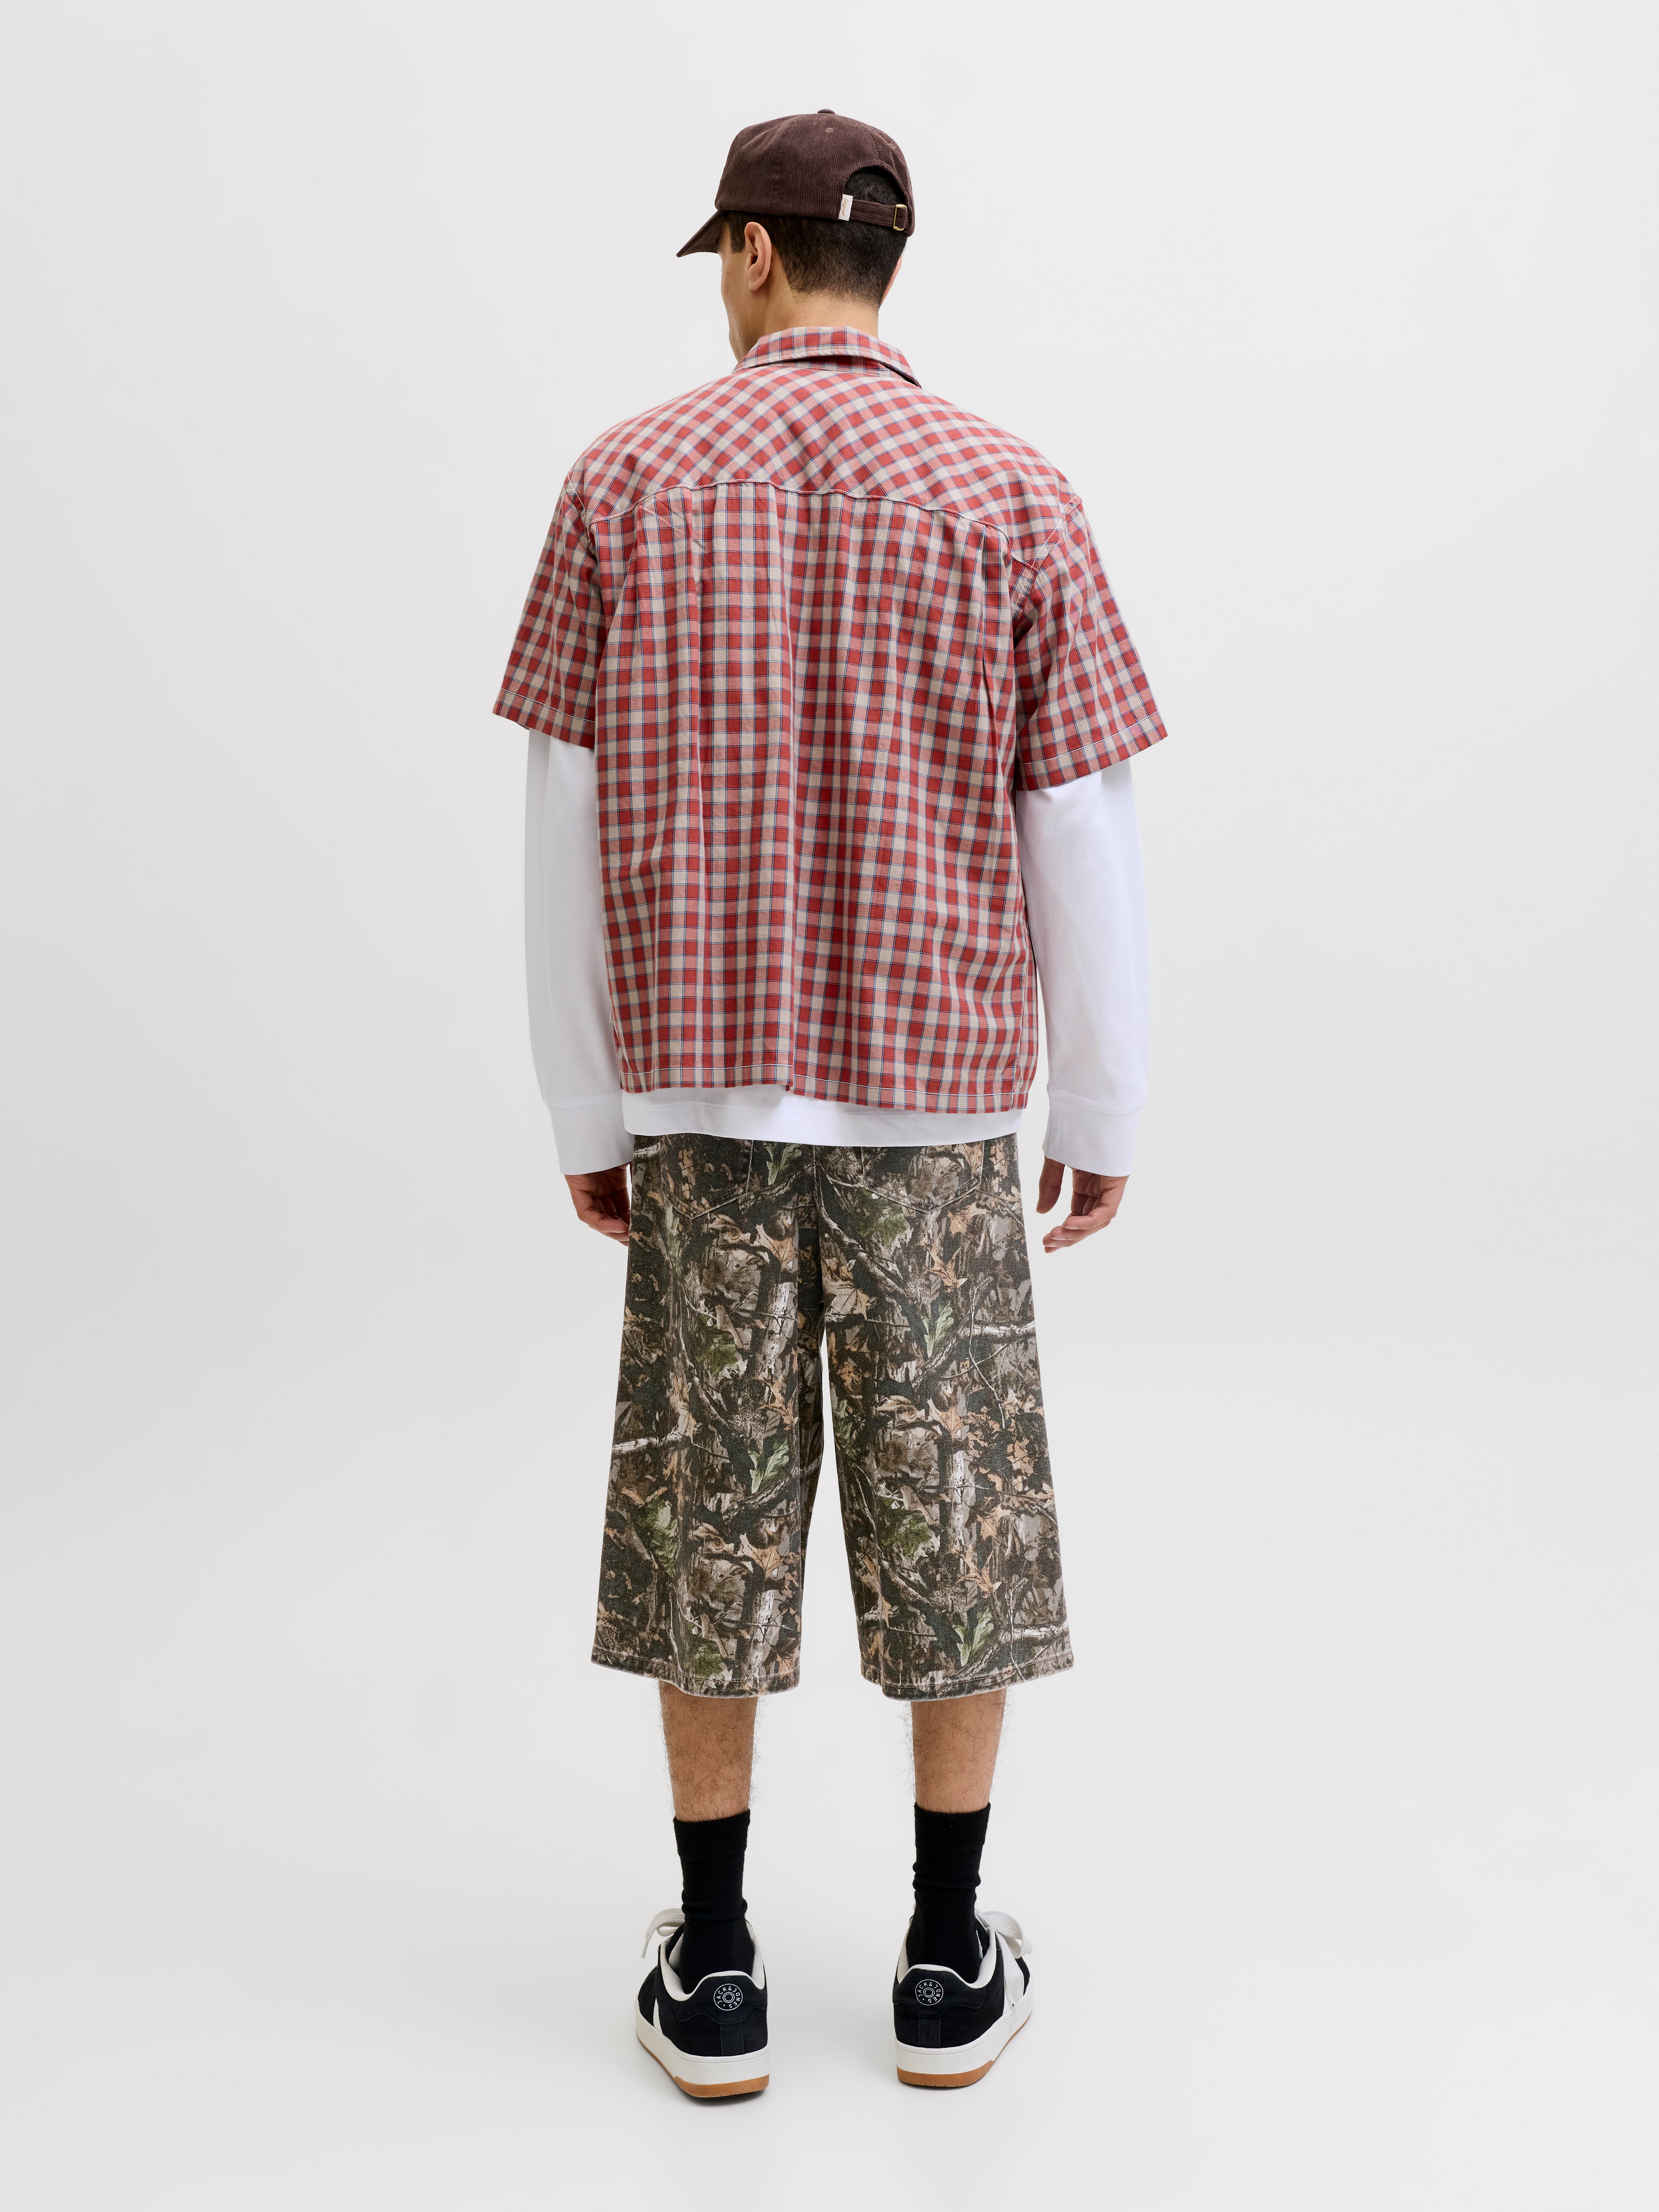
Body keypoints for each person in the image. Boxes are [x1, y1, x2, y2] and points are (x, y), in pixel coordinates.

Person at [495, 109, 1166, 2098]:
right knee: (958, 1523)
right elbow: (1082, 817)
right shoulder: (1014, 490)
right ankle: (949, 1959)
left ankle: (713, 1971)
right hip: (935, 1112)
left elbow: (560, 812)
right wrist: (1103, 1097)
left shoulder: (624, 480)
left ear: (757, 255)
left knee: (707, 1521)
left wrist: (586, 1102)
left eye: (724, 252)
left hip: (701, 1107)